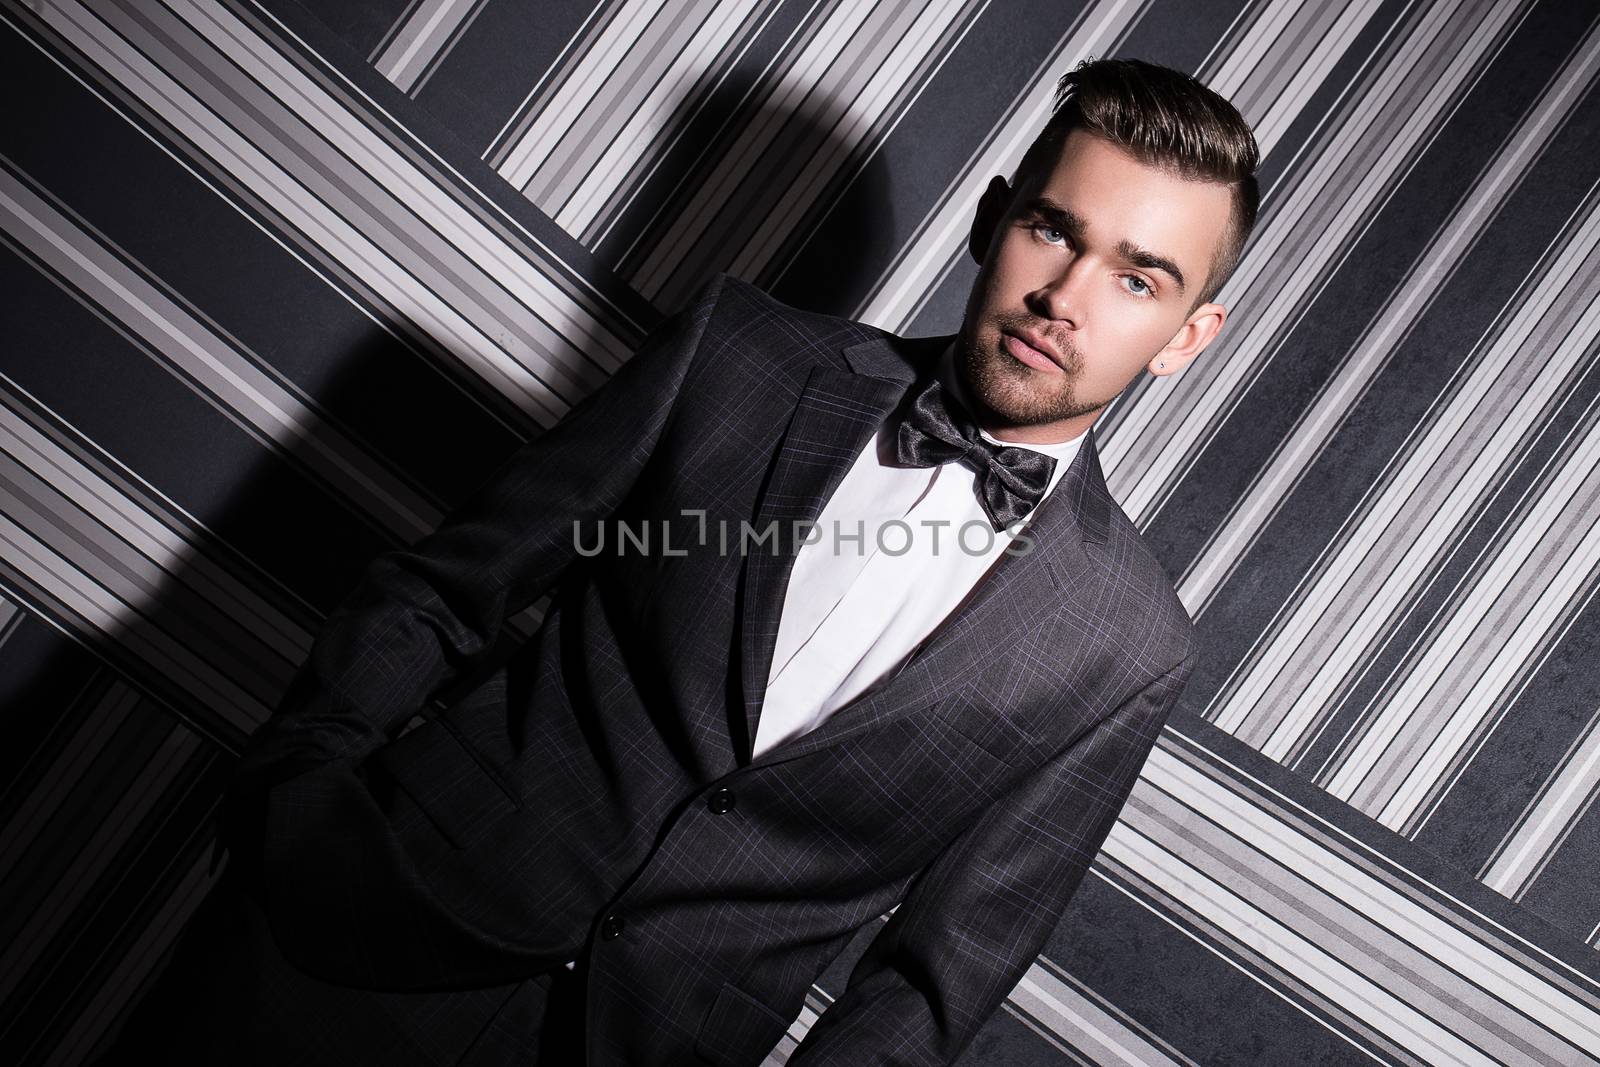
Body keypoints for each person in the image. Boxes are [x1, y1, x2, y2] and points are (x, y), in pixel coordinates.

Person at [105, 55, 1259, 1067]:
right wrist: (295, 790)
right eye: (1052, 230)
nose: (1063, 296)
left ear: (1187, 336)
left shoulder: (1126, 644)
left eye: (1138, 276)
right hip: (354, 940)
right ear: (992, 220)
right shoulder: (740, 356)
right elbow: (445, 586)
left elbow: (935, 980)